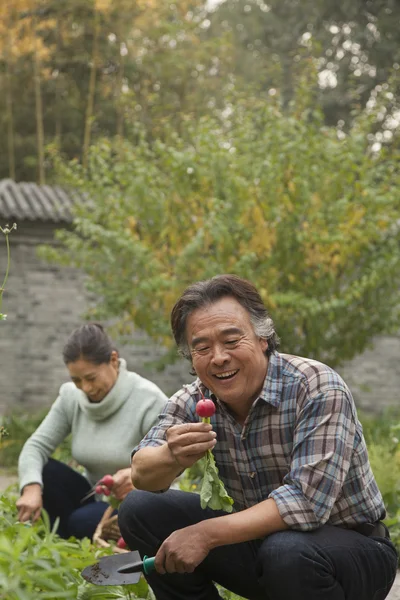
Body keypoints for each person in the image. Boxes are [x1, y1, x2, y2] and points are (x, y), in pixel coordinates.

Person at [118, 274, 398, 600]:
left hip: (349, 552)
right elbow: (142, 473)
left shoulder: (316, 386)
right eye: (202, 347)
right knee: (141, 508)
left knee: (286, 551)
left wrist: (205, 535)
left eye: (232, 341)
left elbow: (306, 503)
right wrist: (170, 455)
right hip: (263, 548)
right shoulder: (193, 401)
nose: (219, 357)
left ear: (263, 338)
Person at [16, 323, 168, 540]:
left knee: (82, 521)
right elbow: (35, 446)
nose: (85, 388)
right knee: (45, 472)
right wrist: (31, 487)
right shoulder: (71, 397)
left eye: (91, 378)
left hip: (140, 500)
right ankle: (59, 545)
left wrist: (138, 480)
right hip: (93, 497)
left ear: (113, 361)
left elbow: (169, 466)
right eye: (76, 380)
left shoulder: (149, 400)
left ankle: (70, 543)